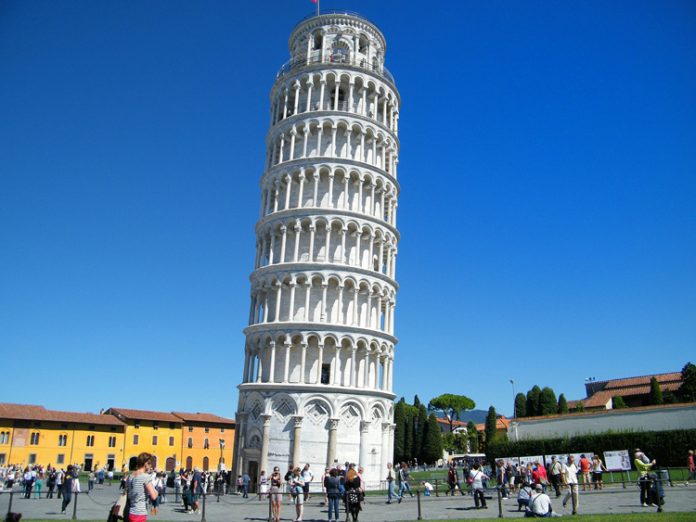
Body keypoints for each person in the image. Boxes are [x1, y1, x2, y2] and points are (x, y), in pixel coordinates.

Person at [126, 453, 159, 522]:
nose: (151, 466)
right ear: (145, 463)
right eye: (150, 464)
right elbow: (154, 496)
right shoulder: (145, 477)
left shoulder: (130, 476)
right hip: (140, 512)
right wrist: (157, 491)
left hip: (131, 511)